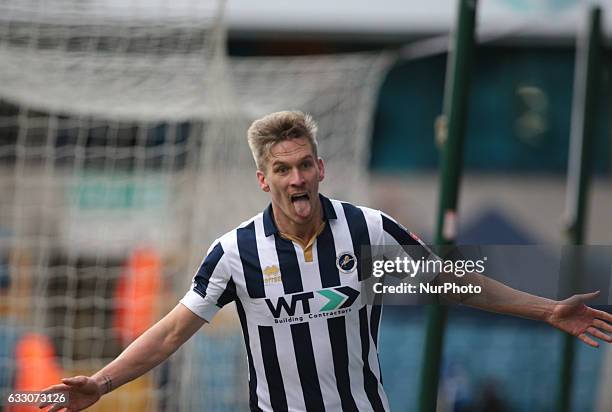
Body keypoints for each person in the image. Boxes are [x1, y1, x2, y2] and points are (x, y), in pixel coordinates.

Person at [41, 111, 612, 412]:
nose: (297, 178)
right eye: (284, 169)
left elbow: (453, 284)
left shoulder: (367, 231)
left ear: (321, 167)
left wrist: (547, 310)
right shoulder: (235, 253)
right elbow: (169, 334)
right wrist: (103, 382)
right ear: (263, 179)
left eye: (305, 164)